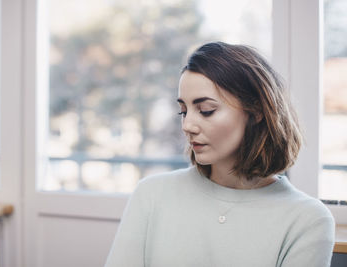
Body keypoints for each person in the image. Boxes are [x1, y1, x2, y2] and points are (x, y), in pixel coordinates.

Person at [104, 42, 335, 267]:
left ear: (255, 112)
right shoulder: (151, 194)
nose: (187, 125)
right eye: (183, 111)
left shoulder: (308, 220)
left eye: (206, 111)